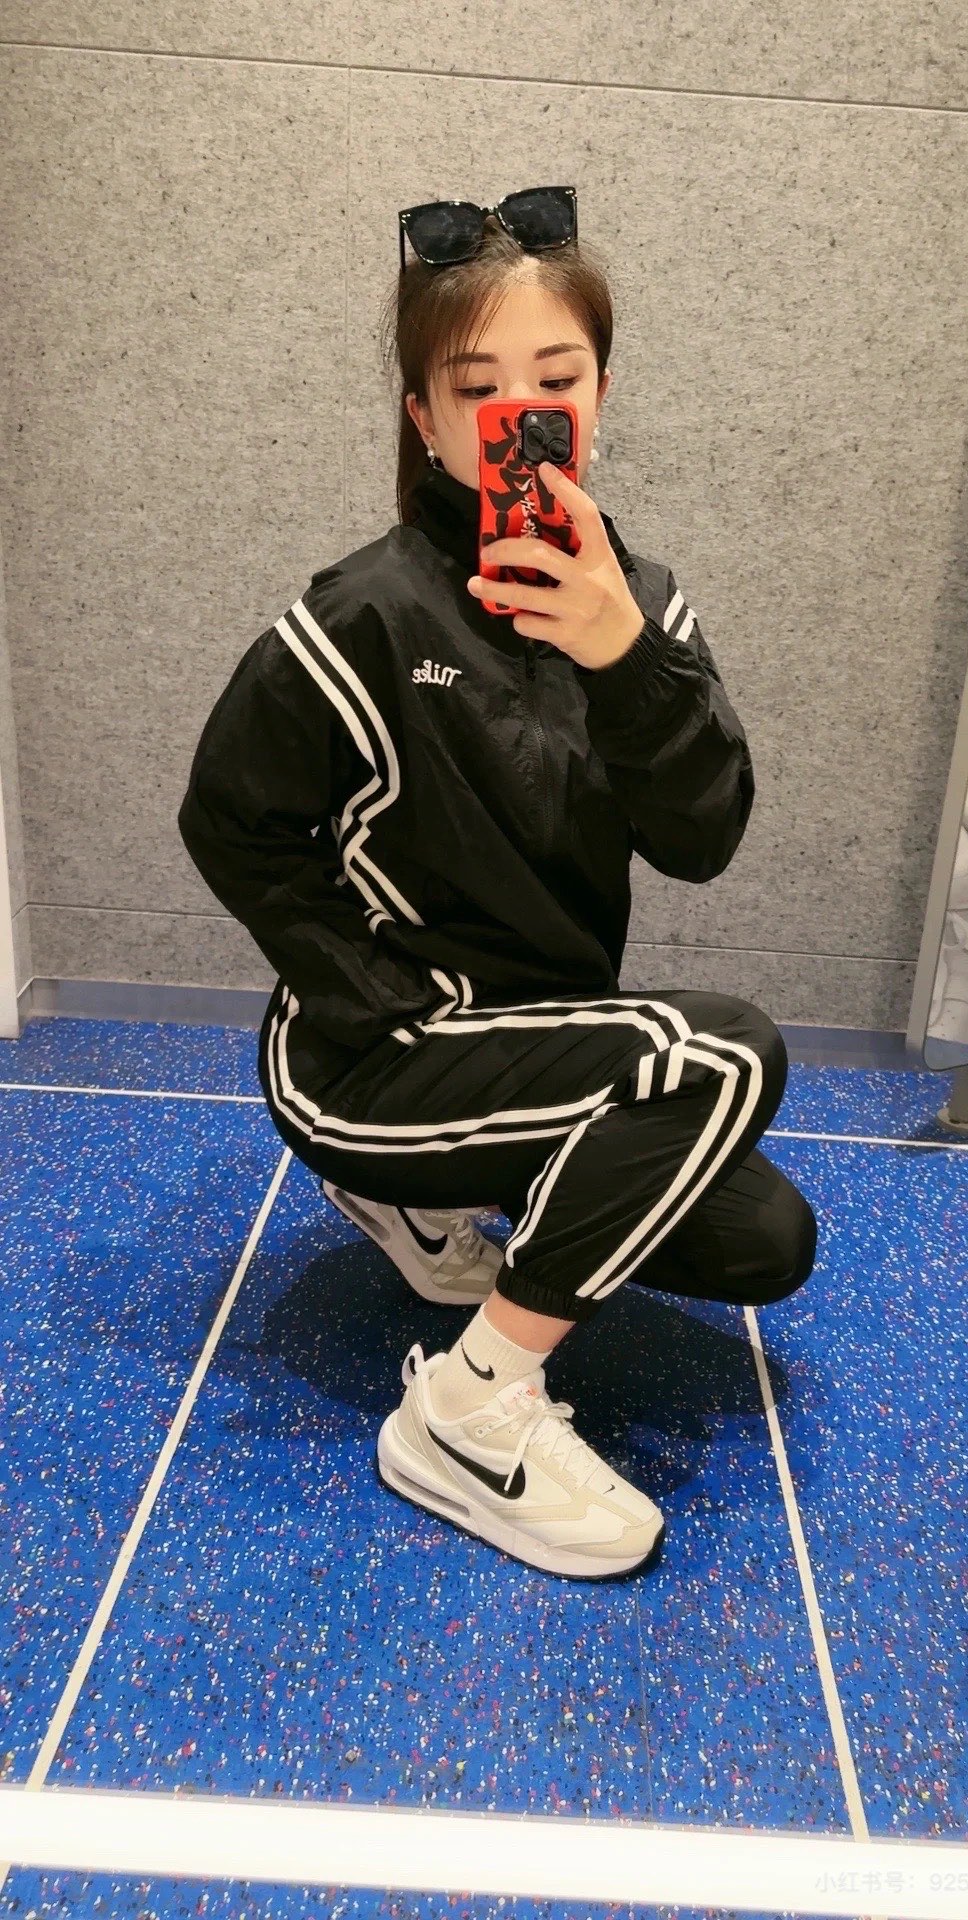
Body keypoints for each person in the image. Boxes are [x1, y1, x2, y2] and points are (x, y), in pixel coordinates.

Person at [178, 184, 817, 1582]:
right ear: (423, 418)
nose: (518, 413)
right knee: (723, 1059)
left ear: (600, 395)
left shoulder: (640, 604)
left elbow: (703, 837)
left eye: (556, 380)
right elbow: (229, 821)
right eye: (476, 389)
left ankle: (423, 1209)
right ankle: (468, 1411)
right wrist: (366, 994)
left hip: (526, 1036)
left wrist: (626, 660)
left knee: (769, 1240)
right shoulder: (363, 613)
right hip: (371, 1054)